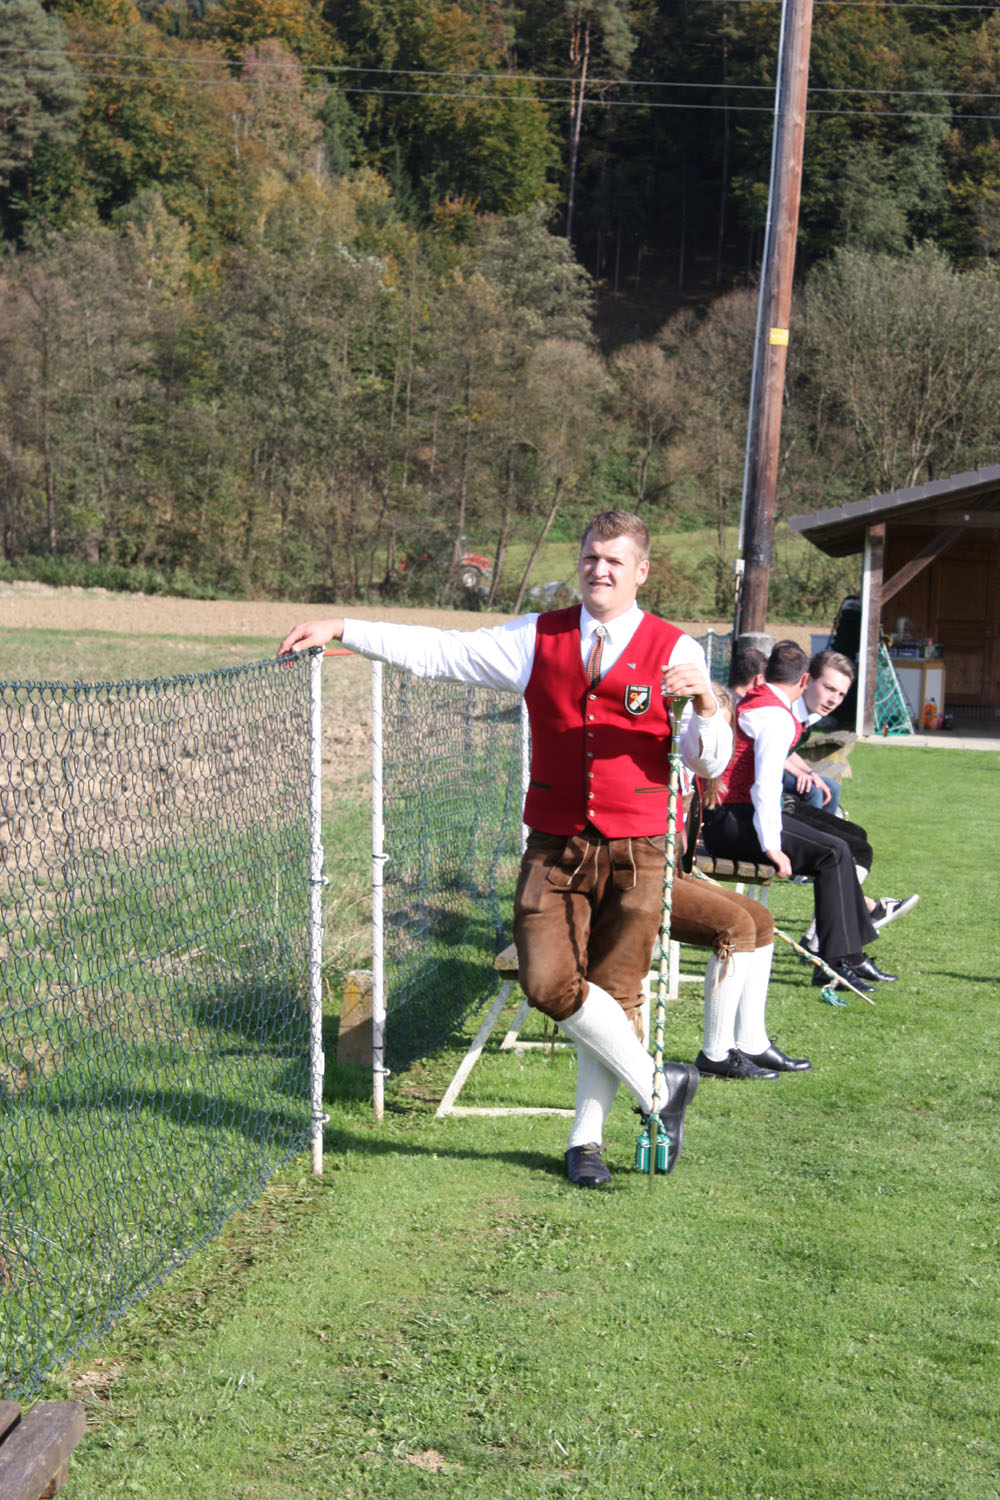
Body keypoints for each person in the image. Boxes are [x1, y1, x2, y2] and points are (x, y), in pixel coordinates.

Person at [279, 511, 795, 1191]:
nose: (599, 570)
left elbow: (708, 763)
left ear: (640, 571)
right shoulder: (537, 636)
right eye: (590, 557)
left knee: (617, 992)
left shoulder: (674, 648)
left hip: (638, 849)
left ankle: (586, 1141)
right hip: (555, 843)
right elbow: (441, 652)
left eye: (614, 561)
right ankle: (658, 1086)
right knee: (547, 981)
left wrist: (704, 703)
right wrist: (346, 627)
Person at [702, 640, 897, 995]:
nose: (834, 698)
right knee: (834, 852)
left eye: (841, 693)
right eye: (829, 688)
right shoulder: (775, 715)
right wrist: (772, 847)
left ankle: (847, 955)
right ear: (806, 679)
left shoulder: (769, 704)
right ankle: (834, 962)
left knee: (848, 845)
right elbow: (764, 786)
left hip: (733, 815)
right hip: (731, 820)